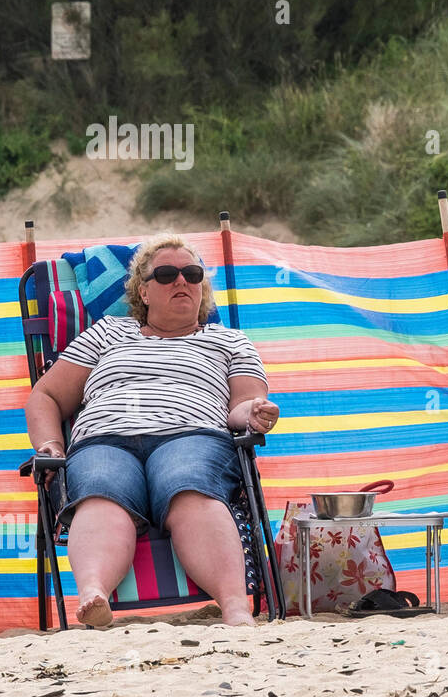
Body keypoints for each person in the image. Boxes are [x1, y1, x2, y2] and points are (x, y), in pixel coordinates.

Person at [24, 235, 280, 627]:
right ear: (143, 291)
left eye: (192, 274)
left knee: (189, 484)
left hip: (191, 434)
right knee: (99, 489)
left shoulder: (229, 341)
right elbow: (46, 394)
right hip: (104, 438)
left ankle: (235, 608)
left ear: (203, 287)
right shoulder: (108, 332)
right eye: (166, 274)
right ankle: (93, 594)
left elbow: (241, 405)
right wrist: (50, 445)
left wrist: (255, 413)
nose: (182, 281)